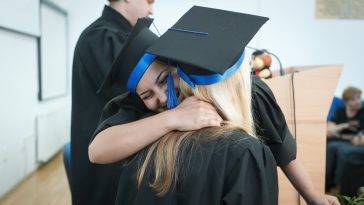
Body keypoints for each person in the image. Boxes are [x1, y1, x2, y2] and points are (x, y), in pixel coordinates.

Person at [89, 6, 340, 205]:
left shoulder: (248, 91)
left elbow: (282, 148)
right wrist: (172, 118)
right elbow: (97, 151)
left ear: (178, 64)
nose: (161, 98)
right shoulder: (140, 105)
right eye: (147, 95)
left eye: (164, 80)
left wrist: (312, 195)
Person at [70, 0, 154, 204]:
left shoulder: (118, 36)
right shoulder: (101, 36)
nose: (152, 9)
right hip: (105, 172)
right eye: (150, 0)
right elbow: (138, 94)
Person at [326, 86, 364, 191]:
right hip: (343, 140)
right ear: (346, 102)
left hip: (357, 142)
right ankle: (327, 183)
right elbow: (329, 131)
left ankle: (339, 186)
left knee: (343, 150)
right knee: (331, 147)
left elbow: (359, 139)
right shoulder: (340, 111)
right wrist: (344, 126)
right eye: (353, 99)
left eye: (359, 98)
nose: (358, 101)